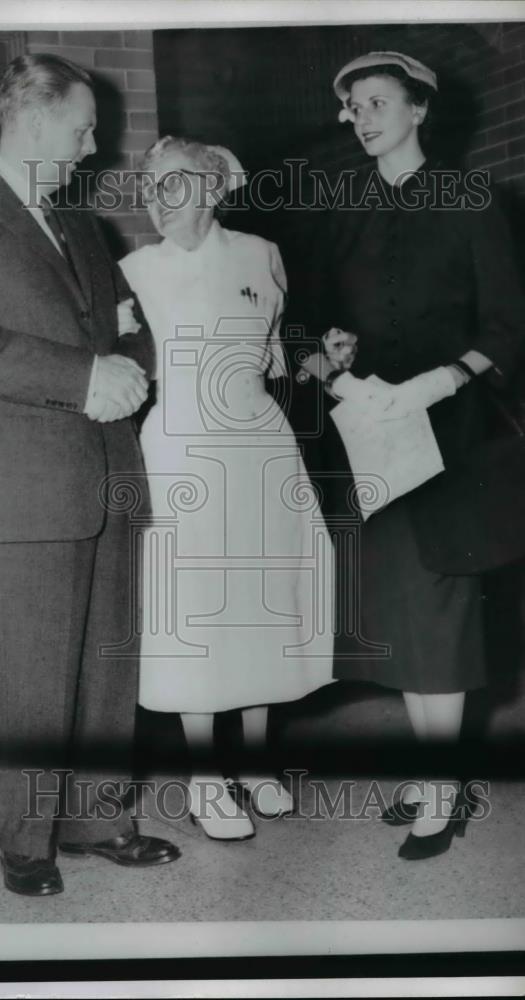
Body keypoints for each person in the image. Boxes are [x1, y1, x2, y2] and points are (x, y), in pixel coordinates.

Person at [0, 53, 180, 897]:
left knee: (107, 665)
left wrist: (128, 366)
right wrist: (87, 376)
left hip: (107, 472)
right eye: (81, 127)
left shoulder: (81, 225)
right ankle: (26, 843)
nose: (92, 145)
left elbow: (131, 332)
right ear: (31, 119)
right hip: (21, 484)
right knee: (31, 673)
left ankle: (98, 820)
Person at [301, 51, 525, 859]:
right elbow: (314, 322)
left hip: (453, 435)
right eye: (352, 105)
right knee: (399, 614)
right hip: (373, 436)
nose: (361, 117)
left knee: (442, 614)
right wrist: (332, 356)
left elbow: (507, 325)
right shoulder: (344, 210)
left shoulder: (471, 197)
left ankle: (442, 786)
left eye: (377, 102)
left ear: (418, 109)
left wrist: (441, 379)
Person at [120, 137, 335, 841]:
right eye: (149, 186)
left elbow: (276, 358)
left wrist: (323, 363)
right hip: (182, 448)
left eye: (172, 183)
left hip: (260, 447)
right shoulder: (134, 271)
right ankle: (205, 778)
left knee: (260, 602)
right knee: (198, 612)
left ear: (212, 189)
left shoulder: (260, 254)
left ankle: (256, 763)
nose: (156, 198)